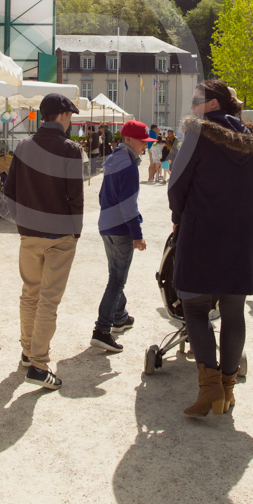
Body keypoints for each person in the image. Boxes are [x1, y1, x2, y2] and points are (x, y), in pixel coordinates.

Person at [169, 79, 253, 417]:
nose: (192, 104)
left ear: (213, 104)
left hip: (203, 234)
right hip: (243, 239)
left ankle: (210, 388)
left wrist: (181, 216)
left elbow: (177, 187)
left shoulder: (197, 137)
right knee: (233, 312)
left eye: (197, 99)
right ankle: (227, 392)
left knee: (195, 309)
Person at [0, 93, 84, 390]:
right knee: (48, 300)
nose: (71, 120)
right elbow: (75, 195)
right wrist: (76, 231)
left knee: (30, 294)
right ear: (62, 115)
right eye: (70, 115)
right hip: (60, 234)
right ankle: (38, 363)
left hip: (30, 233)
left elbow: (8, 192)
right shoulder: (70, 150)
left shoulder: (23, 146)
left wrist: (22, 221)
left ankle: (27, 352)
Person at [91, 119, 150, 352]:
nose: (145, 145)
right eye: (142, 141)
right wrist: (137, 234)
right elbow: (128, 205)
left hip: (107, 225)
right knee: (117, 279)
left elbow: (102, 196)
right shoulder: (128, 164)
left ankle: (119, 316)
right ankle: (101, 330)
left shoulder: (115, 158)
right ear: (128, 140)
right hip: (121, 228)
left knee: (115, 274)